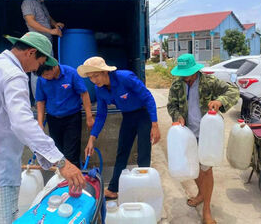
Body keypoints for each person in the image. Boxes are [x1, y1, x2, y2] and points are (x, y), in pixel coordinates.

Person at [0, 32, 85, 224]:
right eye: (40, 62)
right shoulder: (14, 75)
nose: (37, 68)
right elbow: (22, 123)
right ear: (31, 52)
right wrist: (62, 162)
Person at [167, 54, 239, 224]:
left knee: (206, 171)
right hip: (187, 134)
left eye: (188, 73)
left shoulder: (210, 82)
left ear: (195, 70)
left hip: (207, 134)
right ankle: (201, 194)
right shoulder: (177, 85)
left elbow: (233, 90)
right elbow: (171, 105)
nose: (185, 77)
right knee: (194, 168)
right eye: (182, 74)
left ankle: (207, 210)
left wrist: (219, 101)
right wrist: (177, 116)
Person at [77, 57, 161, 199]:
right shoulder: (99, 89)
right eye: (90, 77)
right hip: (127, 116)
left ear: (105, 72)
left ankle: (143, 189)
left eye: (96, 75)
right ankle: (113, 189)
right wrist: (92, 138)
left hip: (143, 114)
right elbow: (101, 114)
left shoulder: (125, 77)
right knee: (122, 151)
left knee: (143, 153)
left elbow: (148, 97)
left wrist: (155, 124)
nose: (94, 80)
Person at [35, 64, 94, 168]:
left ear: (54, 67)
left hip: (72, 118)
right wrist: (40, 123)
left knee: (71, 154)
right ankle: (61, 180)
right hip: (53, 119)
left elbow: (84, 93)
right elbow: (40, 101)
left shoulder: (71, 73)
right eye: (42, 75)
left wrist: (89, 116)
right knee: (57, 154)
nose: (45, 77)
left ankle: (73, 182)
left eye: (47, 74)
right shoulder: (41, 79)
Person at [21, 0, 65, 100]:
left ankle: (48, 99)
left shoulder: (41, 4)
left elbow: (47, 18)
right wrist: (51, 31)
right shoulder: (28, 2)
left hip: (46, 43)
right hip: (37, 43)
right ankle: (38, 101)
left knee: (49, 70)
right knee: (37, 71)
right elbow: (31, 21)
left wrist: (55, 24)